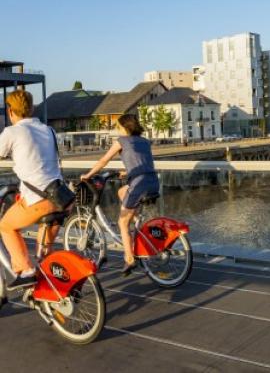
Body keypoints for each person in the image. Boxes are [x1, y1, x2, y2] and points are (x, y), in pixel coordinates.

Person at [80, 114, 159, 275]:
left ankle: (129, 259)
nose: (117, 130)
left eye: (118, 127)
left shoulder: (121, 141)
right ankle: (136, 221)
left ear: (125, 127)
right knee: (122, 191)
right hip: (153, 182)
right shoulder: (144, 141)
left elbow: (103, 161)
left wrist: (88, 175)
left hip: (139, 184)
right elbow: (141, 161)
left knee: (122, 222)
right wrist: (127, 172)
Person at [0, 90, 63, 290]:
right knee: (43, 252)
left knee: (5, 227)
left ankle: (26, 271)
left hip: (38, 200)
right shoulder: (48, 130)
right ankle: (53, 291)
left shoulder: (12, 132)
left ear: (10, 111)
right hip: (61, 198)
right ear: (32, 108)